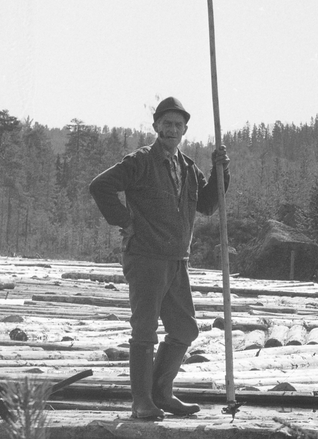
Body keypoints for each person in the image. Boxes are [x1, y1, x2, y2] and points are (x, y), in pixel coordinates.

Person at [88, 96, 230, 419]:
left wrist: (222, 170)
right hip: (146, 258)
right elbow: (100, 187)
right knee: (145, 330)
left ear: (185, 130)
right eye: (166, 124)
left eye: (178, 125)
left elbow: (207, 205)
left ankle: (161, 393)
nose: (172, 130)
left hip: (177, 260)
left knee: (185, 330)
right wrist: (125, 220)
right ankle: (141, 401)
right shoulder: (140, 162)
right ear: (155, 126)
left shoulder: (188, 168)